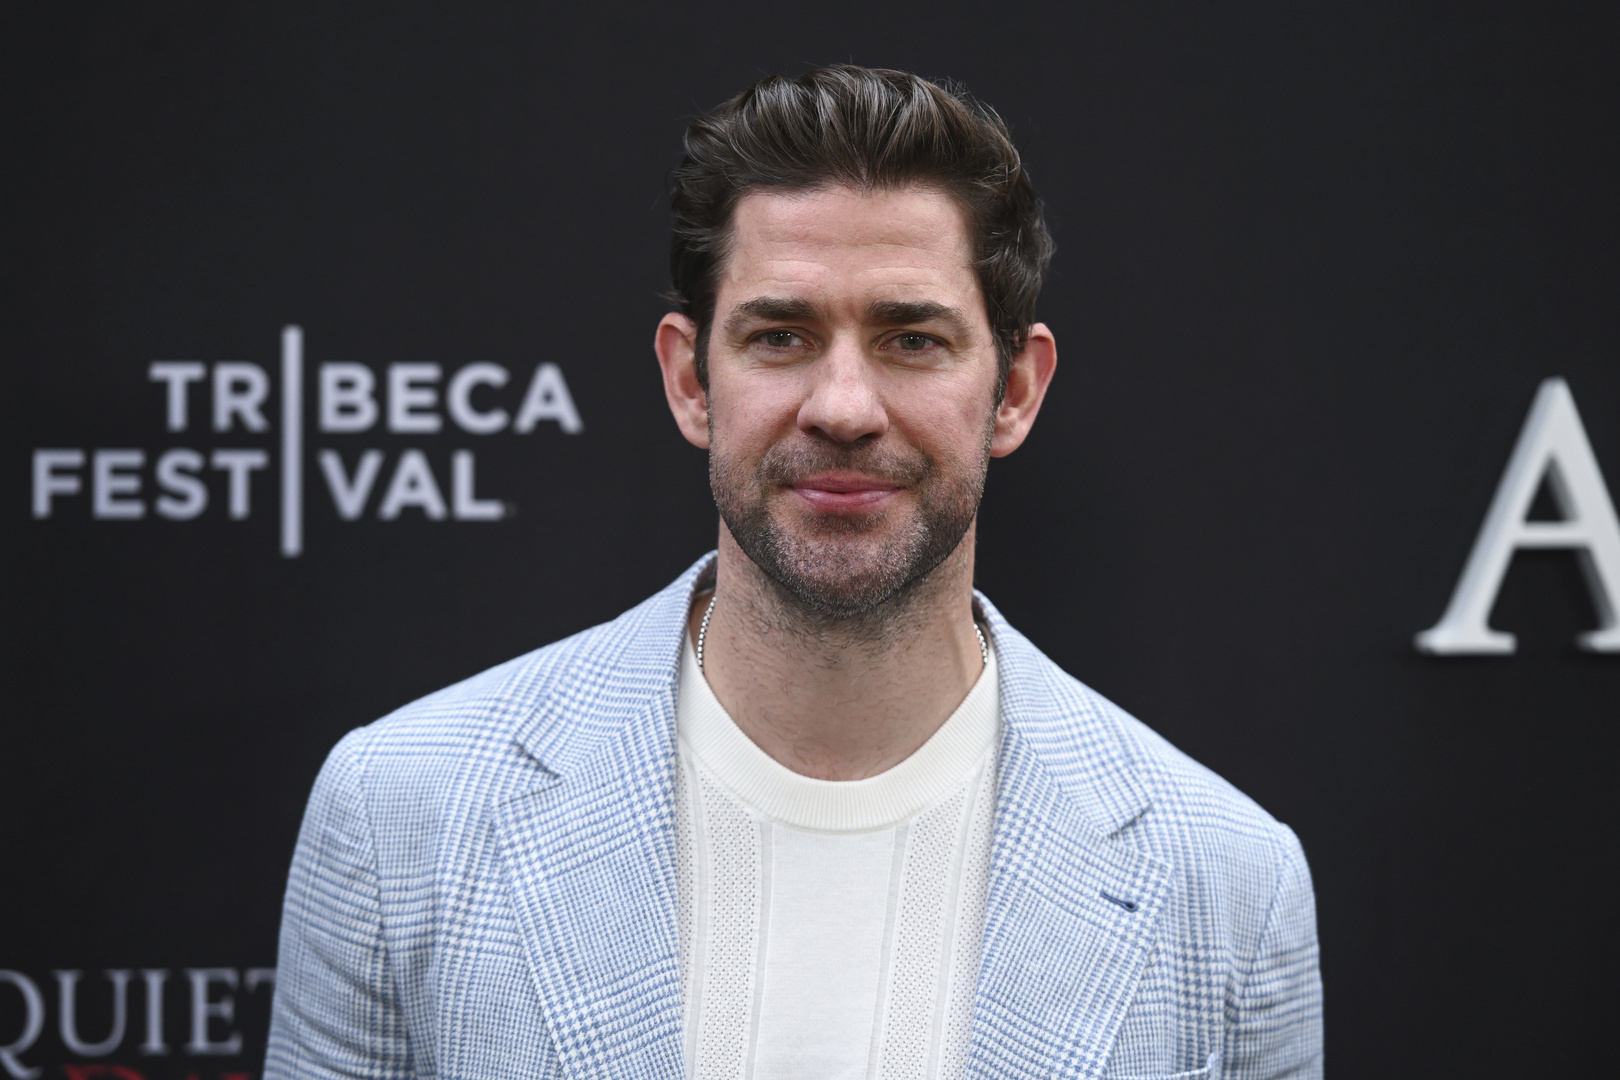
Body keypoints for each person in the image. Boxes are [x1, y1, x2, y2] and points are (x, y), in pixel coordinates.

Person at [266, 66, 1322, 1080]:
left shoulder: (1228, 883)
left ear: (1014, 393)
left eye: (912, 340)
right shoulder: (400, 814)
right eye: (781, 336)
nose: (844, 407)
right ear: (691, 381)